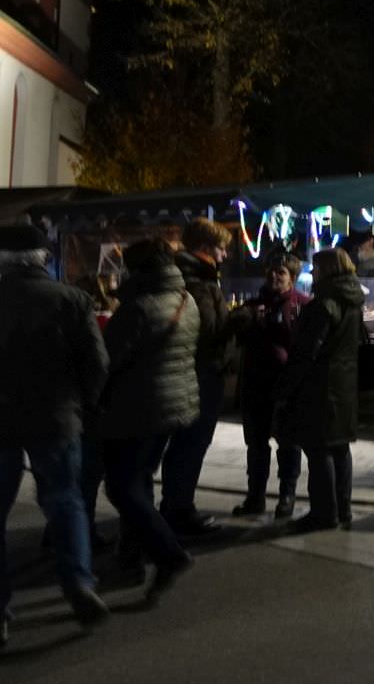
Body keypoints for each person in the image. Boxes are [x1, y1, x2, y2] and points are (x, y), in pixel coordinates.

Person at [0, 223, 112, 641]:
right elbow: (96, 364)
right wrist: (85, 403)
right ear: (42, 258)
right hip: (58, 417)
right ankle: (78, 582)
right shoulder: (72, 299)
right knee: (66, 501)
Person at [98, 239, 201, 603]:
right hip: (175, 405)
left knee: (122, 487)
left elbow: (105, 362)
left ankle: (168, 554)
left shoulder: (138, 307)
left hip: (137, 408)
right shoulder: (186, 300)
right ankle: (132, 554)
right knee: (139, 480)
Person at [280, 248, 365, 533]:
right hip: (345, 385)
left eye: (316, 268)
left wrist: (287, 387)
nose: (312, 273)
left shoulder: (323, 305)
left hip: (321, 386)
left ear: (327, 270)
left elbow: (306, 352)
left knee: (319, 450)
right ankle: (344, 510)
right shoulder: (352, 302)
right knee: (340, 447)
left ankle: (324, 513)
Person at [160, 217, 233, 538]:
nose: (224, 255)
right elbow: (208, 332)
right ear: (204, 248)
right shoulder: (199, 282)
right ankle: (178, 510)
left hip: (189, 371)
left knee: (183, 445)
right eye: (220, 248)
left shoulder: (186, 275)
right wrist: (242, 319)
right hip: (201, 374)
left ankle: (173, 506)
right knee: (191, 443)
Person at [231, 251, 308, 519]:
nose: (274, 276)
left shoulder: (302, 306)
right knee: (256, 445)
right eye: (271, 271)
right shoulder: (253, 305)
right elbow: (236, 335)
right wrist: (246, 318)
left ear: (293, 278)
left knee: (288, 443)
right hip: (255, 384)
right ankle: (255, 497)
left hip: (286, 387)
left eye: (281, 272)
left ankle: (287, 496)